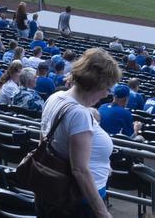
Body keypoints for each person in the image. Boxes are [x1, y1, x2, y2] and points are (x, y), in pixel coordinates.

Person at [38, 48, 121, 218]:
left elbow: (44, 145)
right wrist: (102, 212)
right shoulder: (79, 114)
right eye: (106, 88)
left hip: (54, 192)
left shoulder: (56, 97)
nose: (106, 94)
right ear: (94, 84)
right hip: (78, 202)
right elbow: (80, 170)